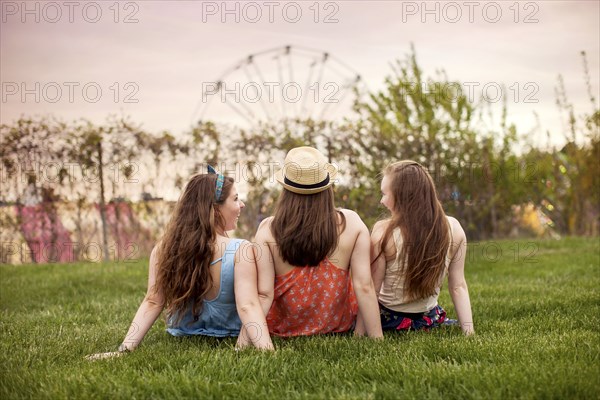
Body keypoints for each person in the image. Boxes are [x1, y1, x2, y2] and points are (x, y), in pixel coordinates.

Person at [87, 169, 273, 360]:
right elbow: (248, 305)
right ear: (215, 208)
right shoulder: (241, 250)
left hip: (183, 334)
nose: (241, 204)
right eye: (235, 199)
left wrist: (124, 350)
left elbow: (153, 301)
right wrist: (267, 351)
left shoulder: (164, 249)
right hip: (230, 334)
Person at [254, 146, 383, 338]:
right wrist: (377, 339)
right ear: (327, 188)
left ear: (286, 190)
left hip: (284, 330)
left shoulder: (267, 229)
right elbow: (364, 286)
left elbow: (263, 294)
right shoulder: (352, 223)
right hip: (337, 326)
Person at [360, 160, 474, 335]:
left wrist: (360, 333)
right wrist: (469, 332)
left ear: (402, 197)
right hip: (430, 318)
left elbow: (371, 291)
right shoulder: (454, 228)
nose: (382, 201)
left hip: (390, 321)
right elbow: (458, 286)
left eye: (384, 194)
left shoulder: (383, 232)